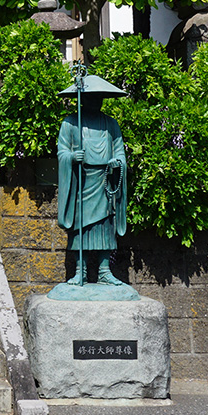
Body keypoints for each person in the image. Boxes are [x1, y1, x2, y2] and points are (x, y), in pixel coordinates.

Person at [57, 79, 127, 286]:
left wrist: (117, 163)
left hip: (104, 181)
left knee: (105, 225)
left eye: (99, 99)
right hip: (81, 181)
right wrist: (71, 157)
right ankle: (81, 271)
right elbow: (61, 152)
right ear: (82, 100)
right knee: (81, 227)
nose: (96, 103)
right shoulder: (70, 123)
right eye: (91, 98)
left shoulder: (110, 123)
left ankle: (105, 270)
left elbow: (120, 153)